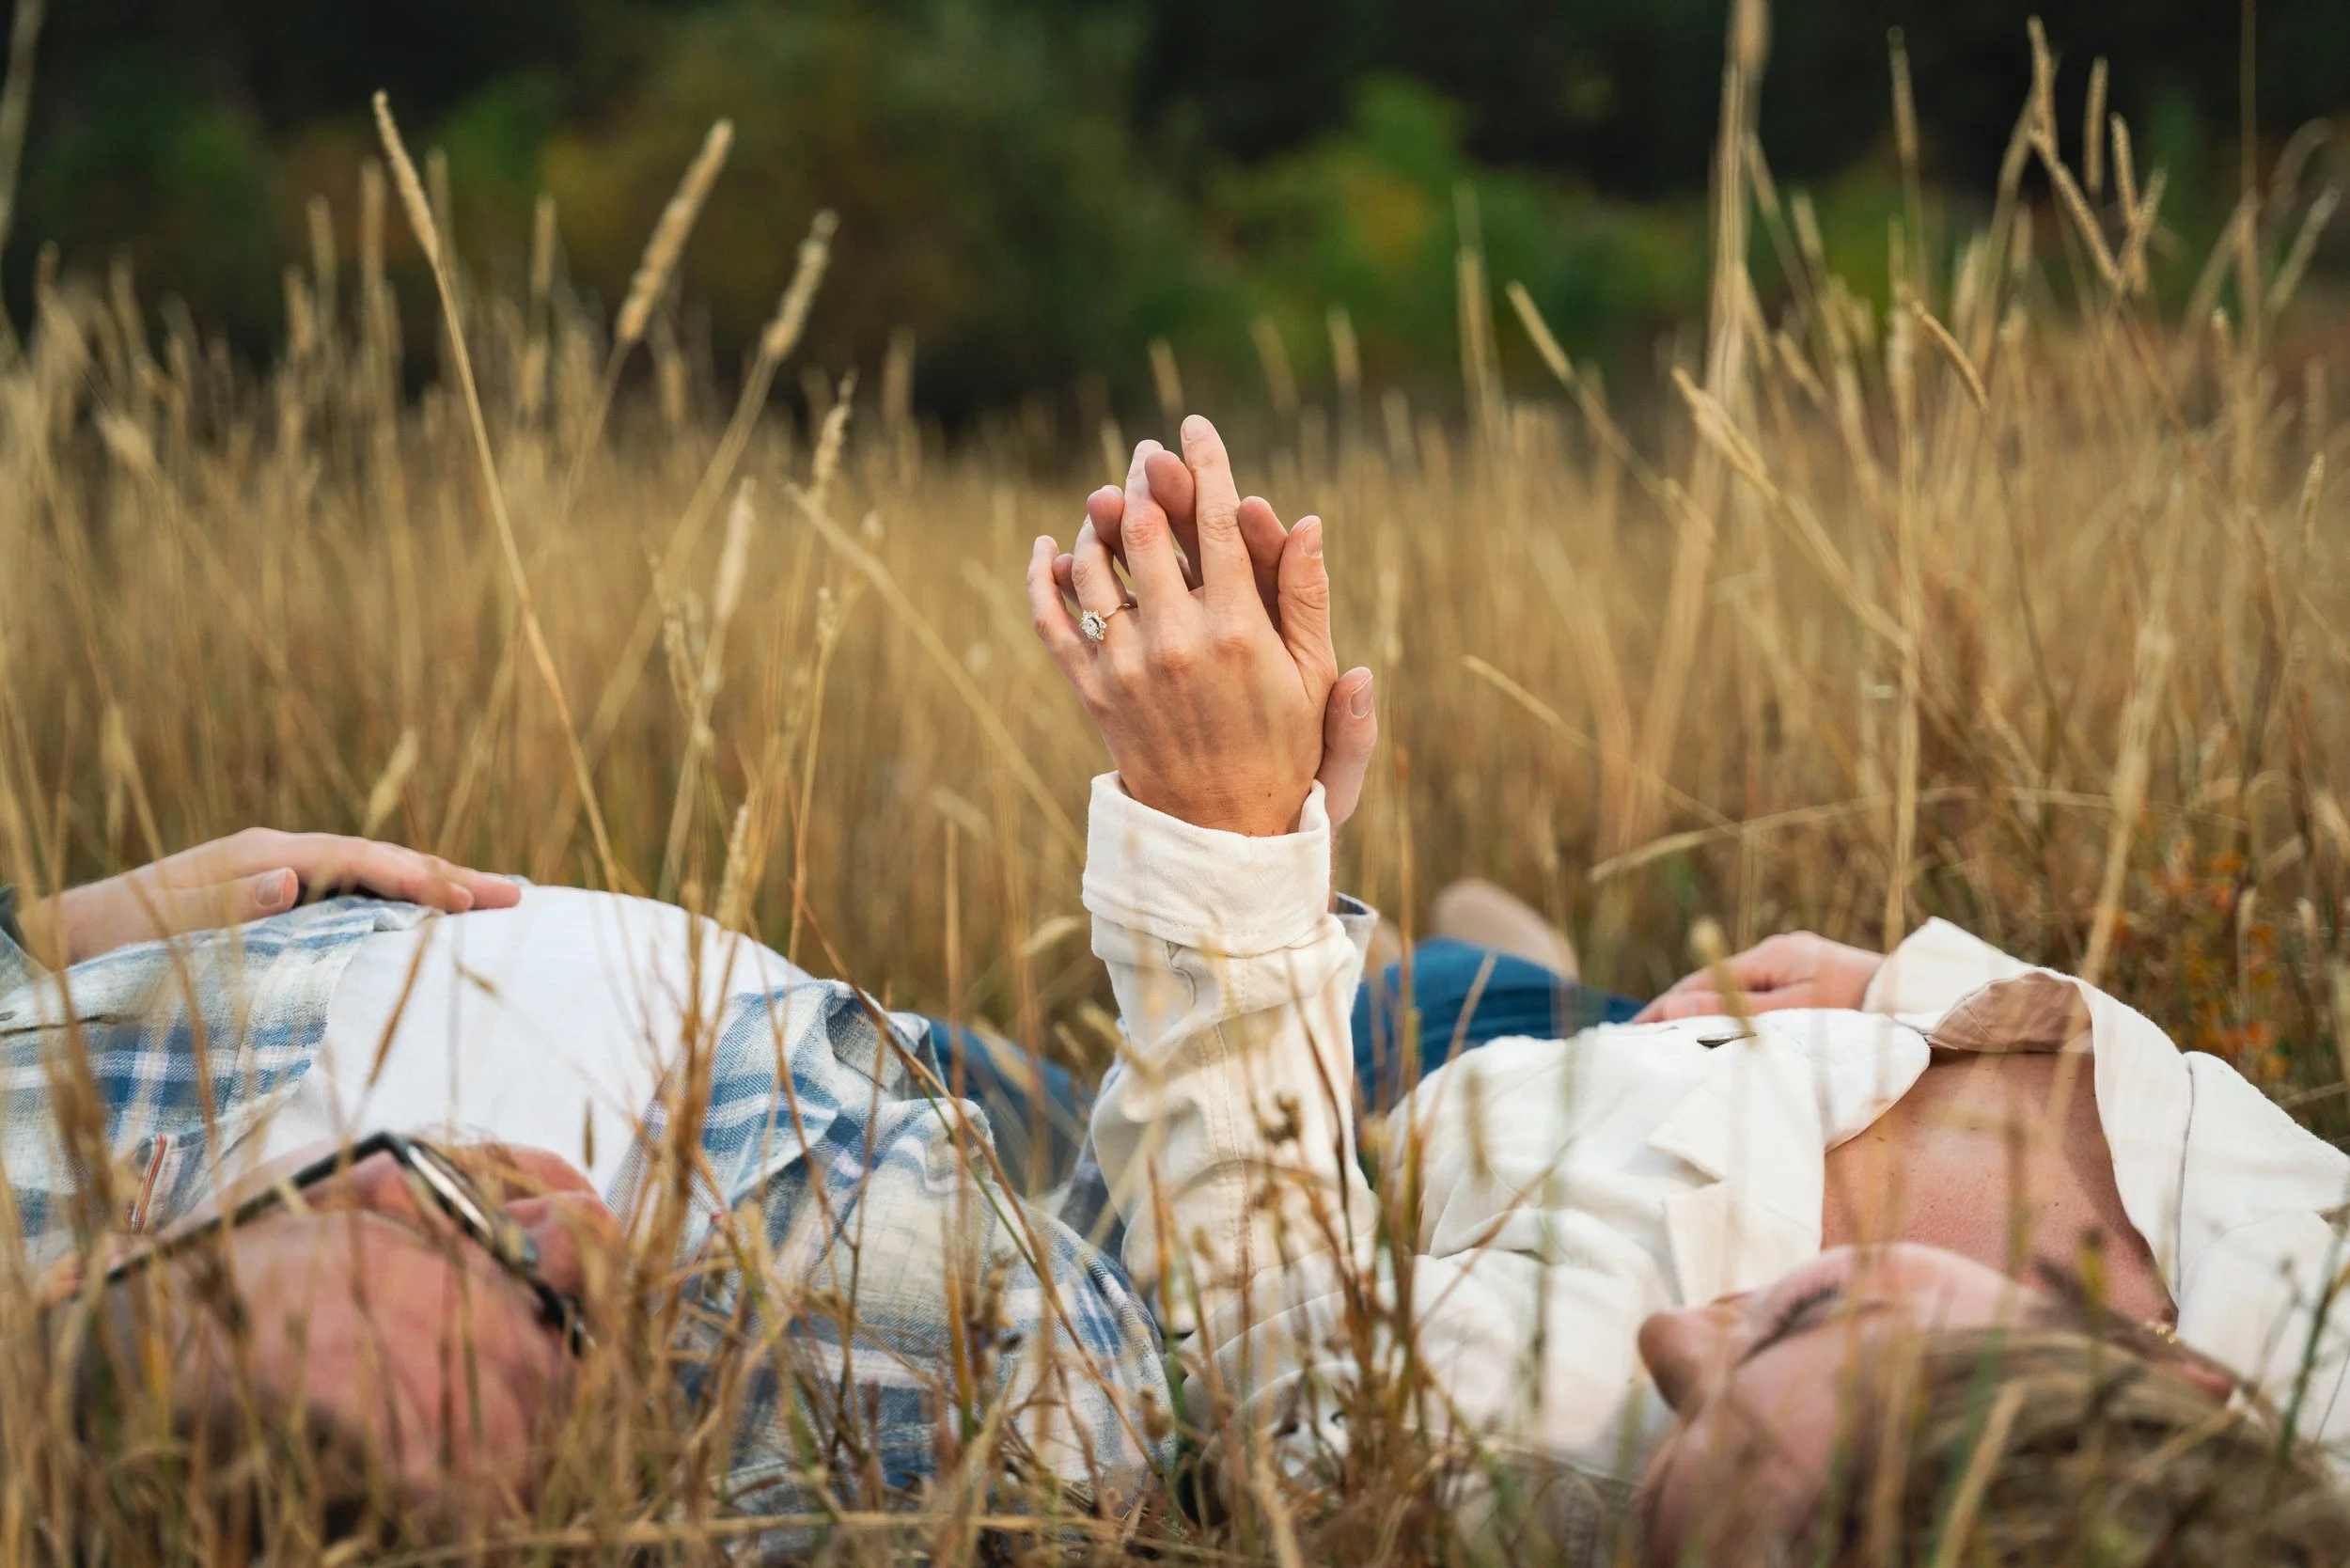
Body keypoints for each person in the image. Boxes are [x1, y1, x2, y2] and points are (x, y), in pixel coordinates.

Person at [1026, 414, 2350, 1559]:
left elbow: (1287, 1338)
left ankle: (1395, 972)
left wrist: (1233, 836)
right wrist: (1934, 988)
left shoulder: (1561, 1425)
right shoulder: (2303, 1368)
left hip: (1426, 1127)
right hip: (1677, 1053)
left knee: (1033, 1106)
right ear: (2178, 1376)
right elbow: (2216, 1133)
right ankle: (1506, 961)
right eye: (1817, 1314)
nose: (1678, 1352)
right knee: (1482, 960)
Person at [5, 828, 1178, 1547]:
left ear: (79, 1278)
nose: (571, 1216)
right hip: (905, 1134)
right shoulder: (894, 1354)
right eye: (560, 1319)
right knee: (1343, 1053)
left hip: (829, 1017)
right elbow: (1155, 1402)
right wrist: (1224, 877)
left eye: (428, 1200)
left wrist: (42, 936)